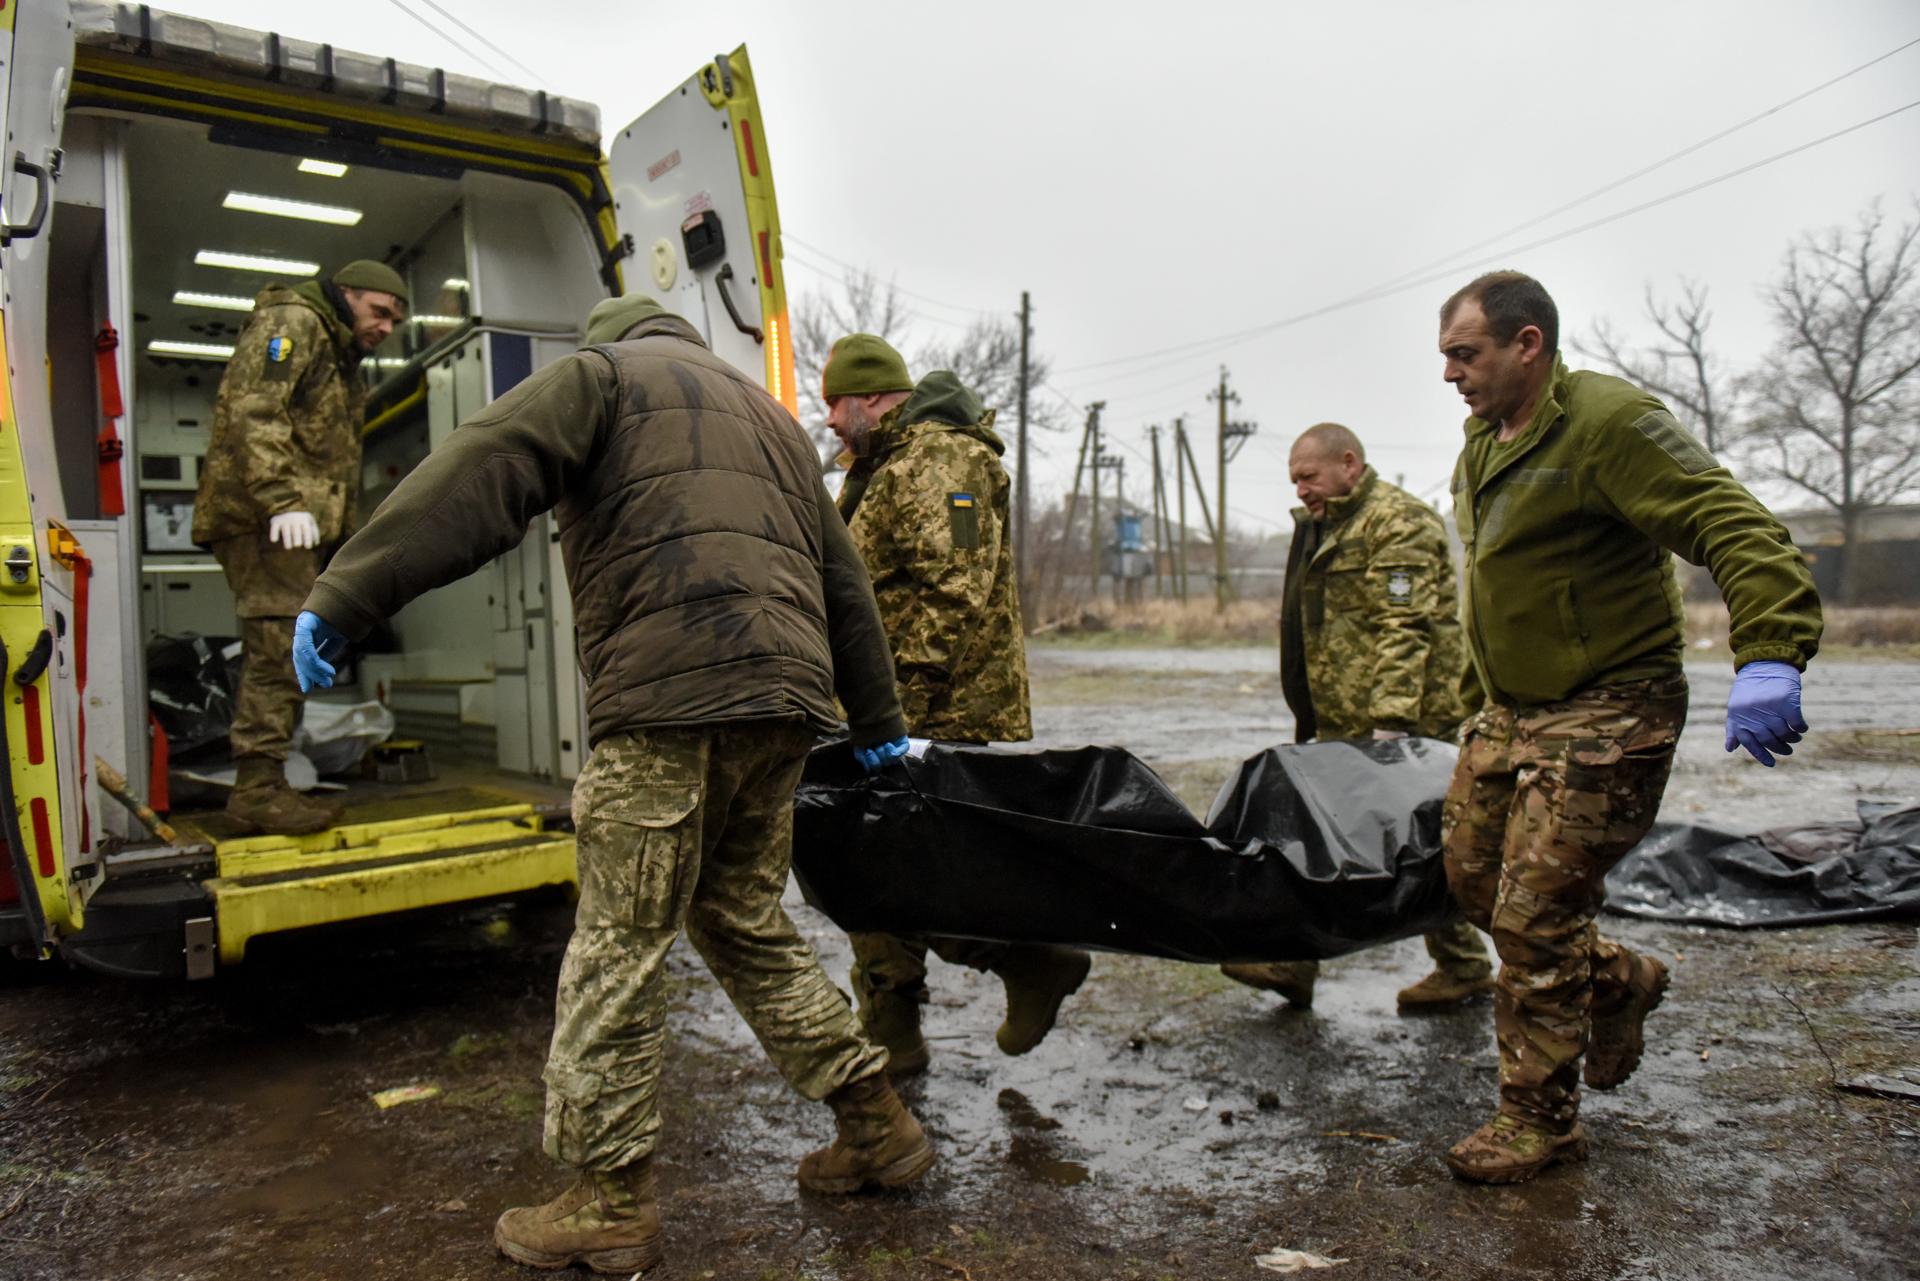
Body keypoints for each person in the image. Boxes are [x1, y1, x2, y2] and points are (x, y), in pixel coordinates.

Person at [292, 296, 933, 1274]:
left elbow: (480, 472)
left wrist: (351, 589)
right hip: (784, 705)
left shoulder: (600, 378)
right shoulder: (771, 419)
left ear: (610, 339)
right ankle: (877, 1122)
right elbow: (842, 580)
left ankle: (609, 1196)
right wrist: (878, 722)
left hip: (669, 696)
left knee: (619, 939)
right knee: (741, 919)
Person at [1434, 271, 1821, 1184]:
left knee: (1535, 915)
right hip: (1512, 712)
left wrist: (1770, 650)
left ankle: (1539, 1120)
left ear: (1528, 343)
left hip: (1609, 708)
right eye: (1446, 357)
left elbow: (1731, 521)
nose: (1450, 374)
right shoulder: (1484, 442)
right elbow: (1497, 587)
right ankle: (1619, 980)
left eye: (1465, 353)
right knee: (1474, 882)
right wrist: (1470, 697)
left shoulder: (1609, 423)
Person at [822, 333, 1091, 1077]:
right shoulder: (888, 466)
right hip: (892, 712)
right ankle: (893, 1028)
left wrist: (891, 713)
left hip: (932, 714)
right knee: (875, 865)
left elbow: (954, 593)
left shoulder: (940, 459)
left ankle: (1028, 961)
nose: (832, 421)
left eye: (836, 404)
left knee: (907, 868)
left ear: (872, 396)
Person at [1221, 422, 1494, 1012]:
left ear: (1348, 464)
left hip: (1403, 723)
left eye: (1308, 476)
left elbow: (1404, 627)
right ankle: (1303, 963)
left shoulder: (1398, 522)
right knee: (1334, 836)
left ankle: (1476, 964)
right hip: (1345, 719)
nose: (1300, 489)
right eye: (1294, 480)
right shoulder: (1332, 526)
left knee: (1425, 843)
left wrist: (1391, 726)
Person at [193, 260, 407, 834]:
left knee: (294, 643)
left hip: (292, 522)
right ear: (347, 293)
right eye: (379, 312)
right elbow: (255, 409)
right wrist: (281, 499)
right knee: (281, 642)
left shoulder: (339, 351)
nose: (386, 328)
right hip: (264, 516)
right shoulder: (294, 321)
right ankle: (258, 791)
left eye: (396, 321)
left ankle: (267, 784)